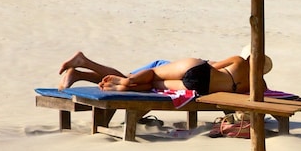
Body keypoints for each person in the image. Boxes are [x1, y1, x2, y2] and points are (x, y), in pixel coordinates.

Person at [58, 48, 272, 95]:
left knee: (150, 73)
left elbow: (212, 67)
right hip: (200, 88)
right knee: (152, 85)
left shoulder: (237, 61)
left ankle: (84, 62)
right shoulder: (256, 85)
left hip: (197, 68)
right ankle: (124, 84)